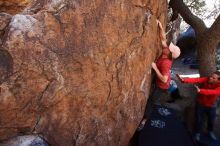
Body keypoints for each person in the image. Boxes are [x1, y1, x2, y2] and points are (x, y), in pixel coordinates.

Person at [137, 20, 181, 130]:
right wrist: (160, 27)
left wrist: (155, 67)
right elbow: (163, 39)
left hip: (162, 87)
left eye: (169, 48)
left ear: (170, 53)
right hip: (159, 82)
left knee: (151, 101)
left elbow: (164, 78)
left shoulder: (166, 63)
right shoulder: (167, 52)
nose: (166, 47)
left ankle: (144, 120)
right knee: (151, 98)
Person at [176, 71, 220, 141]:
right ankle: (197, 133)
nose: (210, 78)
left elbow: (213, 92)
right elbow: (196, 79)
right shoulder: (206, 79)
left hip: (212, 106)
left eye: (213, 78)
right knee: (199, 119)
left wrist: (200, 91)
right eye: (211, 76)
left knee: (211, 120)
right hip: (201, 103)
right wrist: (184, 80)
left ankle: (210, 132)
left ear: (218, 80)